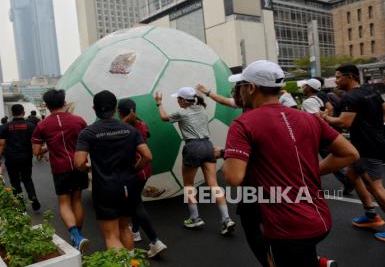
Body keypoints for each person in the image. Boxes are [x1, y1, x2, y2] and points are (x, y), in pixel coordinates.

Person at [222, 60, 359, 267]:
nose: (238, 91)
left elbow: (233, 177)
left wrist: (226, 157)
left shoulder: (243, 123)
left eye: (240, 86)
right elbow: (350, 154)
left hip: (284, 227)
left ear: (251, 87)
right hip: (319, 218)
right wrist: (312, 170)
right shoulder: (307, 118)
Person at [74, 90, 152, 251]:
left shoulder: (88, 133)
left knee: (111, 236)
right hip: (128, 186)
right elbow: (147, 156)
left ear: (94, 108)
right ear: (115, 107)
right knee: (125, 228)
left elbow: (79, 162)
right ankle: (131, 262)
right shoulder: (130, 130)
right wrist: (134, 169)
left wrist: (89, 168)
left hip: (105, 188)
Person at [154, 87, 236, 234]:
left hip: (192, 147)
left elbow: (164, 118)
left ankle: (195, 218)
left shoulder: (182, 113)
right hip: (207, 145)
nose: (178, 101)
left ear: (184, 100)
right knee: (213, 184)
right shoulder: (202, 111)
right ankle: (226, 219)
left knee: (188, 185)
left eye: (179, 98)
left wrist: (159, 103)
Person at [322, 64, 385, 242]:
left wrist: (324, 117)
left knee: (375, 186)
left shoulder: (350, 97)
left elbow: (344, 123)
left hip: (367, 146)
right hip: (370, 143)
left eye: (338, 77)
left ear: (350, 77)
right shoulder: (370, 90)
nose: (336, 81)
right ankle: (371, 215)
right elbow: (383, 110)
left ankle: (373, 216)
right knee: (352, 174)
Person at [32, 89, 89, 252]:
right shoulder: (78, 121)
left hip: (60, 168)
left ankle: (76, 237)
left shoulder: (42, 125)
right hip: (79, 165)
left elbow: (36, 152)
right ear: (64, 102)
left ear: (47, 106)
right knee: (77, 200)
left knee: (64, 203)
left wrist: (48, 147)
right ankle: (79, 235)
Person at [117, 98, 167, 258]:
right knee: (135, 201)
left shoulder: (122, 128)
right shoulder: (141, 124)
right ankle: (136, 232)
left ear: (119, 112)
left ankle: (155, 241)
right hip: (145, 170)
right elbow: (147, 136)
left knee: (136, 205)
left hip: (134, 170)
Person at [0, 104, 40, 211]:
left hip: (11, 158)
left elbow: (1, 144)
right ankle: (32, 196)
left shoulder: (5, 127)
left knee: (14, 181)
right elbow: (35, 142)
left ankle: (20, 204)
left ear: (12, 113)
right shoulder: (30, 126)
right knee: (27, 178)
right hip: (26, 157)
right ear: (23, 112)